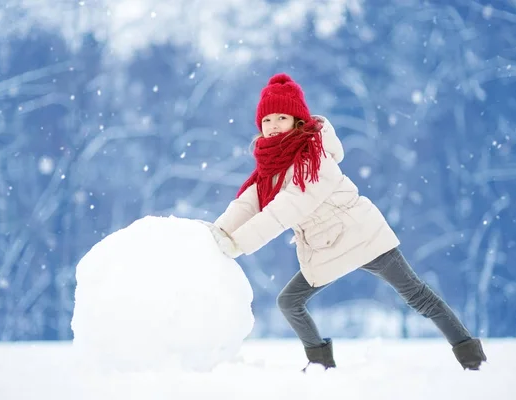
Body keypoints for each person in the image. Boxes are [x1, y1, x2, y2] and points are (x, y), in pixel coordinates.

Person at [201, 73, 487, 372]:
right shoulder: (272, 167)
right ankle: (321, 368)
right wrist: (217, 232)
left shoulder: (314, 157)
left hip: (363, 236)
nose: (273, 126)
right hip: (326, 246)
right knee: (289, 302)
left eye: (281, 117)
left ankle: (472, 359)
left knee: (418, 297)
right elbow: (250, 201)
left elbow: (286, 208)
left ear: (298, 121)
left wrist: (237, 243)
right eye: (267, 120)